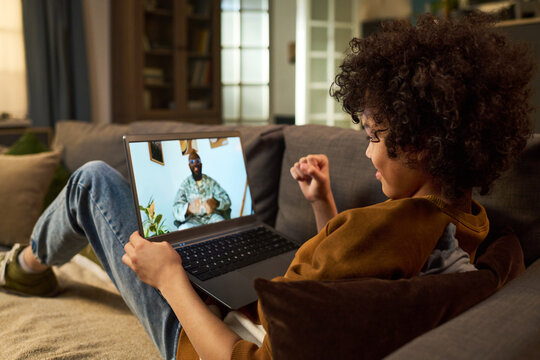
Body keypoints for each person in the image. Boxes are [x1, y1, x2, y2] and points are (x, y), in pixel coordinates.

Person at [0, 12, 534, 360]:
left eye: (375, 135)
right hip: (253, 302)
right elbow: (350, 278)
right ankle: (33, 263)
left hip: (203, 336)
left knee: (92, 181)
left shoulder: (391, 227)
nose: (368, 151)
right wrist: (325, 204)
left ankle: (25, 268)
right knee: (190, 235)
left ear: (421, 143)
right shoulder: (460, 223)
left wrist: (169, 280)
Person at [173, 150, 231, 229]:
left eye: (198, 161)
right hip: (193, 220)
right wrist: (189, 209)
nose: (195, 164)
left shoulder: (211, 182)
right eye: (192, 162)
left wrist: (215, 203)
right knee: (183, 229)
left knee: (225, 227)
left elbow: (227, 200)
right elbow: (175, 210)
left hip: (212, 217)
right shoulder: (185, 185)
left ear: (201, 164)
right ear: (189, 165)